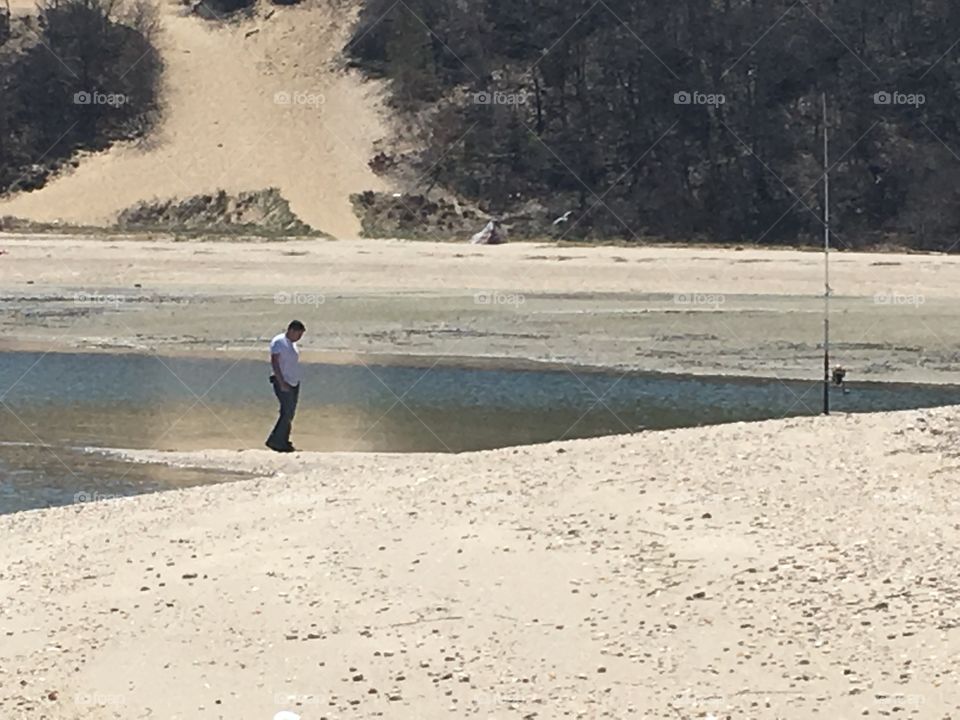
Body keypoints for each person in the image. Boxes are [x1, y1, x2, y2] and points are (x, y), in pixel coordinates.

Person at [266, 320, 305, 453]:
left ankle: (283, 440)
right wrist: (281, 381)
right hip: (282, 381)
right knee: (286, 411)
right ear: (291, 330)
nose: (299, 338)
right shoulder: (279, 342)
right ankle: (275, 440)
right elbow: (275, 362)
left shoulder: (292, 345)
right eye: (298, 334)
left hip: (293, 382)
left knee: (290, 413)